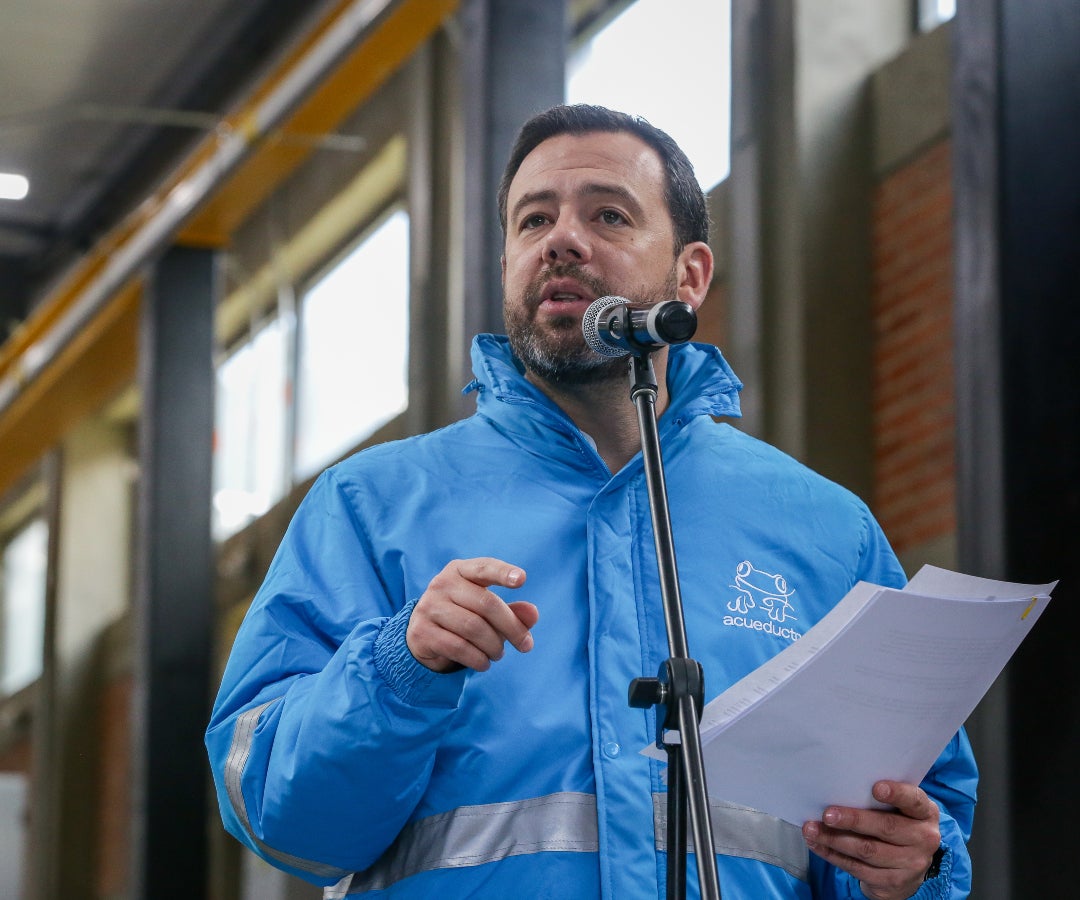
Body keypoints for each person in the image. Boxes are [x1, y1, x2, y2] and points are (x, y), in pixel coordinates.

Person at [206, 104, 977, 899]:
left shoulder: (825, 529)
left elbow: (914, 813)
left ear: (691, 276)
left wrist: (913, 869)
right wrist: (397, 664)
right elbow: (281, 819)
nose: (561, 240)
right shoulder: (370, 504)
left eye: (608, 214)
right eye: (533, 219)